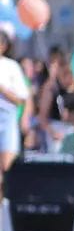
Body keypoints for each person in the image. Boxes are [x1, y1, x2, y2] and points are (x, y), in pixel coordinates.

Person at [0, 28, 28, 190]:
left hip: (6, 117)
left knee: (7, 166)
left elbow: (20, 99)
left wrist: (2, 89)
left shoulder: (11, 66)